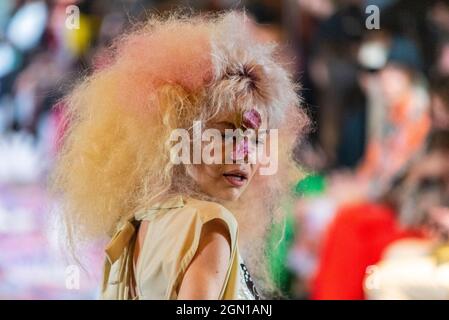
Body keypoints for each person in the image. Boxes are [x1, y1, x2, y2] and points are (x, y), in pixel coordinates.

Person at [50, 12, 308, 300]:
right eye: (224, 134)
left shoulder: (134, 226)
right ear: (173, 133)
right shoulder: (209, 224)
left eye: (257, 139)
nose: (245, 153)